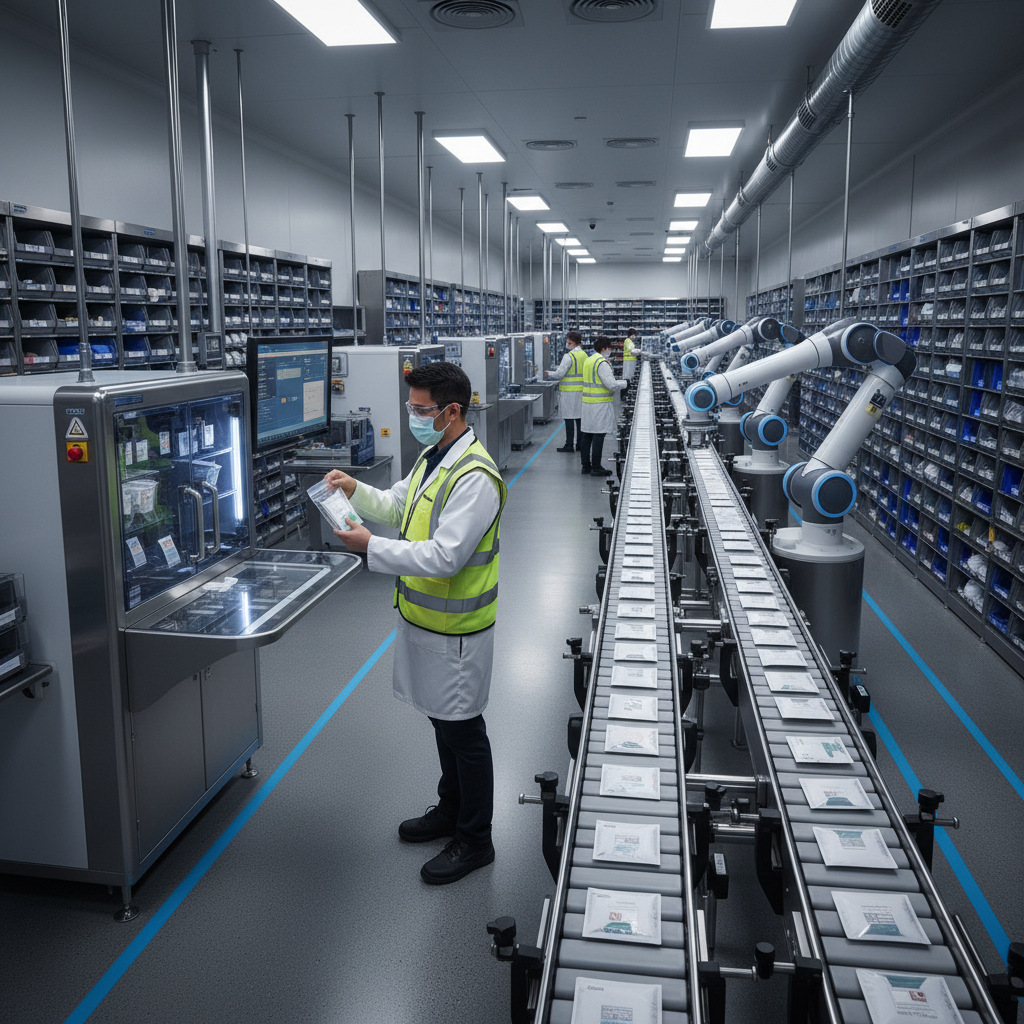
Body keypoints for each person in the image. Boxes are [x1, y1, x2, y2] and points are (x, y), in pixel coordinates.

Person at [324, 361, 507, 885]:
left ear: (452, 411)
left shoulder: (475, 476)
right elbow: (397, 503)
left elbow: (445, 557)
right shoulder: (435, 457)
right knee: (441, 723)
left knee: (464, 731)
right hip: (426, 622)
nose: (412, 416)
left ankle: (476, 839)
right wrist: (354, 489)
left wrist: (369, 548)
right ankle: (450, 811)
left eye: (421, 409)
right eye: (411, 407)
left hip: (458, 634)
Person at [579, 335, 627, 476]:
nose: (611, 351)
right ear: (605, 348)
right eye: (610, 348)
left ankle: (586, 466)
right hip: (599, 404)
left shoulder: (589, 360)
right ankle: (596, 467)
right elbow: (611, 385)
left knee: (587, 435)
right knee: (599, 435)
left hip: (588, 404)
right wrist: (624, 383)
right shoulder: (602, 363)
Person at [546, 330, 586, 452]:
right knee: (579, 418)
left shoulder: (569, 356)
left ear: (571, 342)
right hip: (581, 391)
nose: (567, 343)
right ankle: (579, 444)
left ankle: (569, 444)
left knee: (569, 418)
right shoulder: (584, 355)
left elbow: (559, 374)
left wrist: (548, 373)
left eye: (568, 341)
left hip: (569, 392)